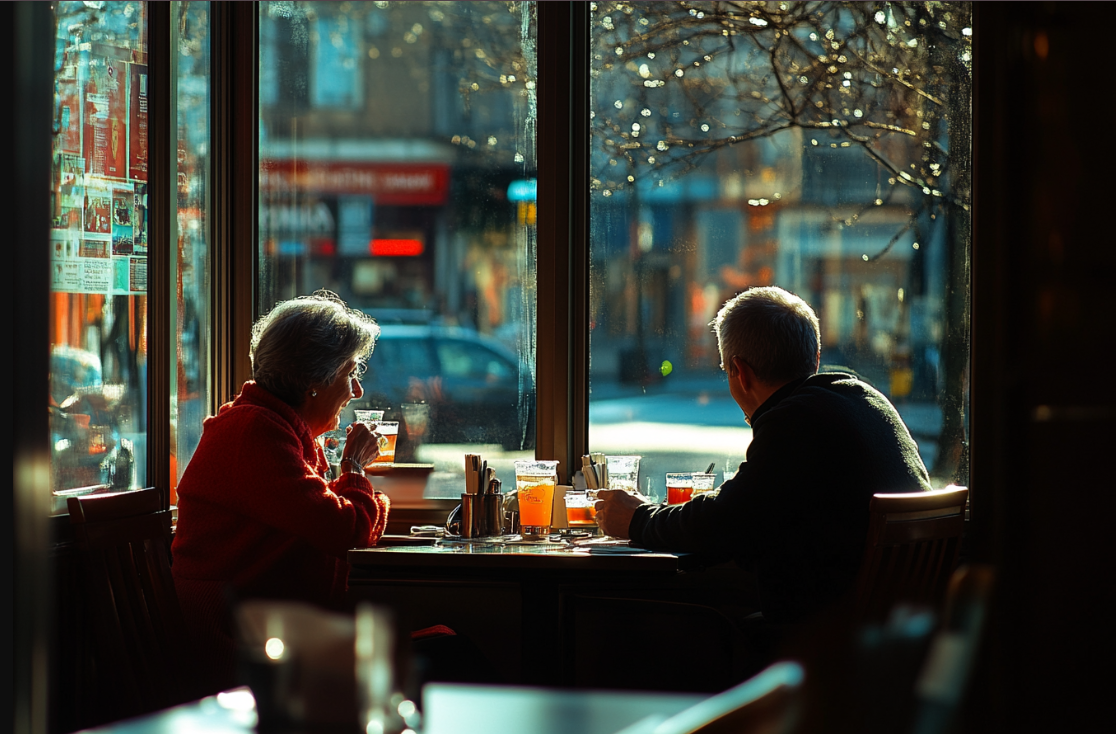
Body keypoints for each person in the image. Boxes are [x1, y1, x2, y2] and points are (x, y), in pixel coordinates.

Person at [594, 286, 932, 625]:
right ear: (813, 359)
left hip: (827, 645)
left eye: (727, 370)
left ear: (740, 372)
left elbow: (723, 524)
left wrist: (638, 520)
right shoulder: (867, 401)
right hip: (895, 638)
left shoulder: (796, 422)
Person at [172, 290, 389, 692]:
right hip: (238, 642)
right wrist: (355, 468)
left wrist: (353, 484)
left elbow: (339, 522)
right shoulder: (256, 434)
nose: (356, 390)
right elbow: (345, 531)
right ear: (313, 381)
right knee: (443, 655)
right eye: (349, 372)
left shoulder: (276, 429)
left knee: (440, 645)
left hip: (267, 624)